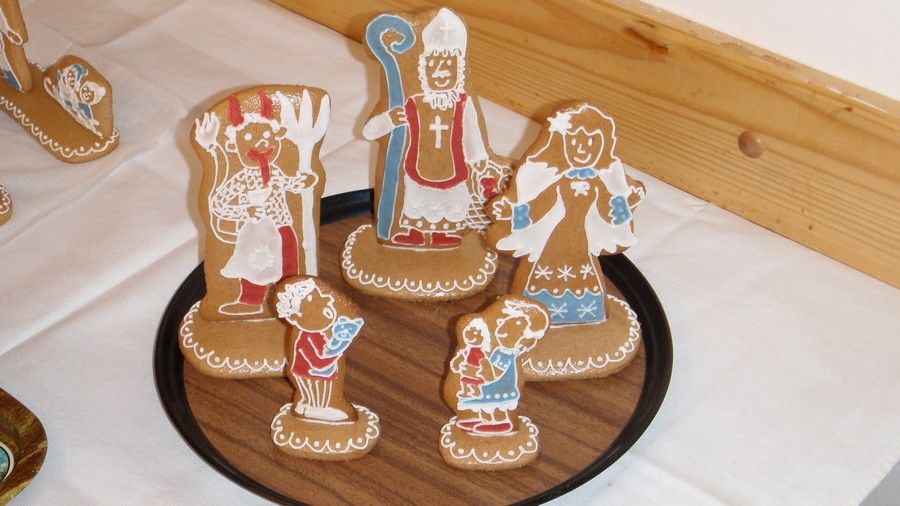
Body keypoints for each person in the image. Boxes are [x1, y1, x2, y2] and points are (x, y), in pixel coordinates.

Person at [489, 104, 644, 325]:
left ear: (602, 146)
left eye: (591, 142)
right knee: (546, 272)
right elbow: (539, 207)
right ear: (562, 143)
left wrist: (626, 204)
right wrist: (512, 212)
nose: (582, 149)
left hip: (581, 242)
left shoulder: (599, 184)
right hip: (555, 240)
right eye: (575, 141)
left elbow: (608, 213)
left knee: (583, 273)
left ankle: (584, 312)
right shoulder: (557, 182)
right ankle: (537, 313)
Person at [363, 7, 496, 248]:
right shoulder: (413, 103)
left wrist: (479, 161)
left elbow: (472, 133)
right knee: (418, 199)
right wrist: (391, 119)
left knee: (449, 201)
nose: (441, 71)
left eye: (448, 65)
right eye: (435, 65)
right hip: (418, 167)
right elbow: (369, 132)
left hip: (453, 167)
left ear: (459, 70)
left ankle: (444, 234)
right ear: (424, 70)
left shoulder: (463, 104)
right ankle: (415, 232)